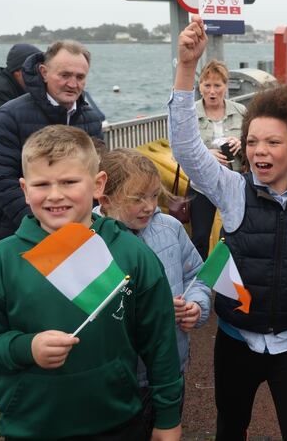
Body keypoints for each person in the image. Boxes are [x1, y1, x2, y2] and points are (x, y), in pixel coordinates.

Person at [0, 125, 183, 441]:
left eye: (69, 182)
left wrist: (168, 417)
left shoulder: (132, 254)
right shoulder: (1, 262)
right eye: (42, 184)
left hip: (118, 422)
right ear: (24, 189)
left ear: (98, 183)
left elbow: (160, 344)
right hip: (30, 427)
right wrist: (27, 347)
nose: (55, 195)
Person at [168, 15, 287, 441]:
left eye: (273, 143)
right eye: (253, 141)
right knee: (231, 427)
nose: (259, 150)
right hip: (236, 340)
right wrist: (187, 68)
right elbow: (185, 147)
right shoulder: (232, 189)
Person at [97, 148, 211, 423]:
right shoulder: (89, 241)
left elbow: (198, 274)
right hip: (118, 375)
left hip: (171, 366)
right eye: (137, 198)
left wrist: (197, 305)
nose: (150, 206)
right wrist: (153, 315)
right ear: (105, 198)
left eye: (153, 195)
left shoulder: (170, 228)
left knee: (167, 425)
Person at [0, 40, 105, 250]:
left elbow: (95, 175)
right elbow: (0, 178)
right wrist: (40, 227)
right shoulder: (9, 115)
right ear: (44, 72)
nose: (73, 84)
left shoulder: (91, 119)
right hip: (14, 233)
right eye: (64, 75)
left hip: (74, 233)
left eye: (80, 77)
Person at [187, 59, 247, 258]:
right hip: (201, 186)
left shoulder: (240, 112)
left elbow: (255, 144)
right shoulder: (190, 114)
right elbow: (180, 151)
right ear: (200, 86)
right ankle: (199, 283)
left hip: (233, 184)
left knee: (236, 234)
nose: (212, 91)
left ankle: (232, 279)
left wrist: (242, 144)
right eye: (207, 85)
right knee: (200, 237)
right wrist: (205, 154)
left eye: (217, 85)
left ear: (225, 86)